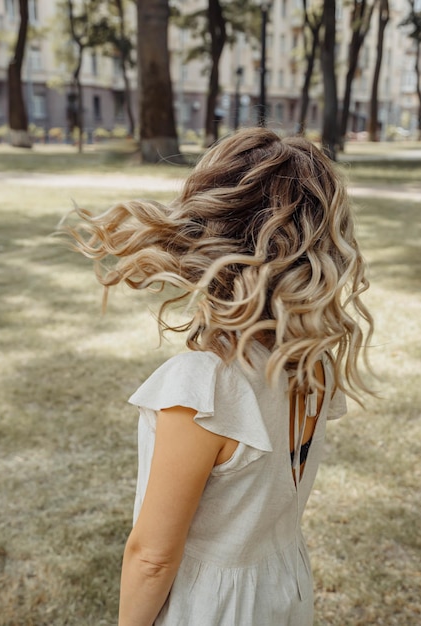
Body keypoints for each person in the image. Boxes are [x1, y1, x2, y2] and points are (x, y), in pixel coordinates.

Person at [65, 127, 373, 626]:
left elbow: (153, 556)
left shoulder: (202, 386)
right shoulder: (310, 363)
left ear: (207, 231)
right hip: (285, 586)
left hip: (209, 608)